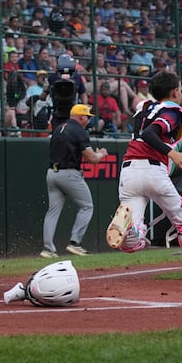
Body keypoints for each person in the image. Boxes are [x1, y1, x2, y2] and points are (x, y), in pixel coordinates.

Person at [105, 71, 182, 278]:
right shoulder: (172, 111)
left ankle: (131, 234)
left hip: (129, 171)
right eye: (181, 90)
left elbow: (144, 131)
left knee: (137, 227)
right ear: (175, 91)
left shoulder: (144, 109)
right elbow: (150, 134)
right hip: (153, 170)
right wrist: (172, 154)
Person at [40, 104, 108, 258]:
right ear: (81, 117)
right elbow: (92, 159)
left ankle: (48, 249)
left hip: (52, 173)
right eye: (88, 117)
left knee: (52, 212)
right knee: (87, 206)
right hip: (69, 174)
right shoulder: (78, 131)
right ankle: (75, 243)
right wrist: (101, 154)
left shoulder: (58, 128)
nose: (89, 119)